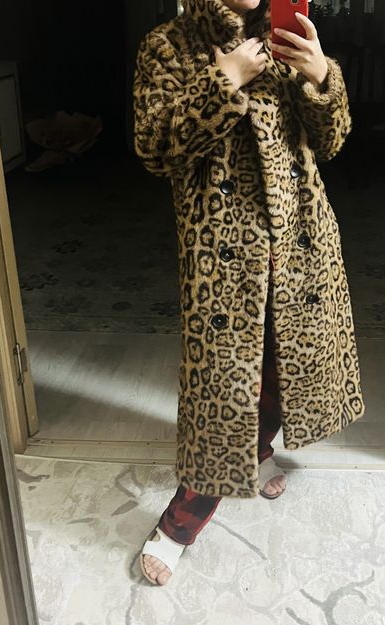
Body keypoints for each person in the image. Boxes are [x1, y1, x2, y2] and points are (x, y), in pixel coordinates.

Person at [133, 0, 365, 586]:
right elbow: (154, 148)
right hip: (223, 258)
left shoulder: (288, 39)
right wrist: (223, 81)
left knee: (289, 374)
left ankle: (258, 452)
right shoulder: (168, 45)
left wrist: (322, 77)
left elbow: (332, 142)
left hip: (300, 245)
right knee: (229, 391)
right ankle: (180, 524)